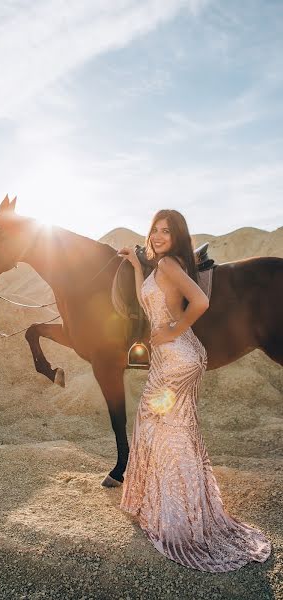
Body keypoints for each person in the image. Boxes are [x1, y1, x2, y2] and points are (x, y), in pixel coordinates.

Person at [118, 209, 271, 572]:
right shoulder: (158, 269)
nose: (157, 236)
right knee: (169, 427)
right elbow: (149, 301)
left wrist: (173, 330)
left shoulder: (170, 264)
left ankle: (180, 520)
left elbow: (200, 302)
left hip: (179, 356)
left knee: (167, 429)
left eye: (166, 232)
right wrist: (137, 268)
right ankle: (172, 508)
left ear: (176, 238)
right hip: (168, 357)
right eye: (155, 230)